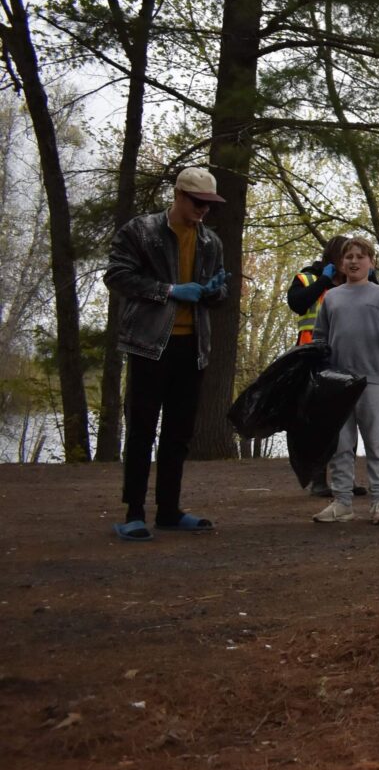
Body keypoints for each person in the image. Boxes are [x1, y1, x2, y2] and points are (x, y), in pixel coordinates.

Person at [103, 167, 230, 541]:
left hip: (193, 346)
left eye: (209, 205)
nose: (204, 211)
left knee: (179, 432)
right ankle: (133, 512)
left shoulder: (211, 243)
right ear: (178, 195)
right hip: (148, 344)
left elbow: (218, 293)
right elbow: (117, 276)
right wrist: (170, 290)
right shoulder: (140, 231)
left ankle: (170, 510)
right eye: (198, 202)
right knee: (142, 428)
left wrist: (214, 291)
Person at [310, 237, 379, 525]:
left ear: (371, 262)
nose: (354, 261)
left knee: (376, 443)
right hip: (339, 382)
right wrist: (319, 363)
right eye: (349, 257)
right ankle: (342, 502)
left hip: (375, 378)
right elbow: (320, 336)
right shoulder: (332, 297)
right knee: (341, 443)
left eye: (360, 256)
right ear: (341, 263)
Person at [287, 234, 363, 498]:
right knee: (317, 420)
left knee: (347, 418)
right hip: (313, 358)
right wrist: (323, 281)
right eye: (345, 255)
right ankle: (319, 480)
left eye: (354, 256)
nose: (350, 260)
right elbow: (297, 304)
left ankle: (346, 479)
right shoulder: (309, 277)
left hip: (349, 358)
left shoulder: (358, 282)